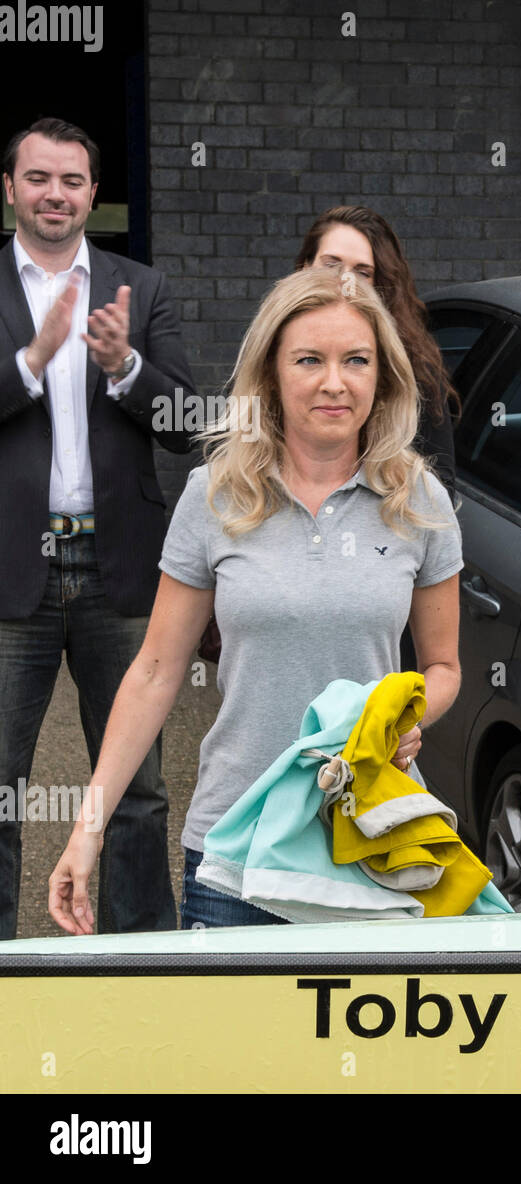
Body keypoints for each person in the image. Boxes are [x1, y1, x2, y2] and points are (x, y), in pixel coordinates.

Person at [48, 267, 463, 932]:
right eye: (309, 360)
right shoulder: (215, 495)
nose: (335, 382)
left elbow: (443, 669)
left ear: (382, 377)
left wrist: (412, 715)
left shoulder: (419, 500)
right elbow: (155, 672)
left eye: (356, 360)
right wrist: (87, 829)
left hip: (372, 844)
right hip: (236, 849)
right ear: (270, 374)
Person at [0, 117, 196, 939]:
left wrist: (125, 367)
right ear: (9, 187)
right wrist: (29, 363)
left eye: (72, 180)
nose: (56, 193)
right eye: (39, 177)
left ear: (92, 193)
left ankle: (139, 955)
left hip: (119, 568)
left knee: (137, 789)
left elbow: (190, 419)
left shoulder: (140, 289)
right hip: (11, 571)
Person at [294, 206, 456, 491]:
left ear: (381, 284)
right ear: (306, 266)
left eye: (362, 272)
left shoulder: (413, 369)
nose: (344, 280)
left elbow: (439, 489)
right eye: (331, 264)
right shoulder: (272, 348)